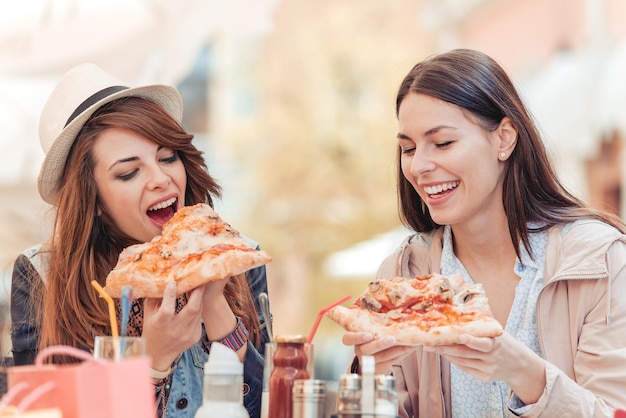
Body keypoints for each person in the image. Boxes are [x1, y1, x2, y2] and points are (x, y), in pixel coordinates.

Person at [342, 49, 626, 417]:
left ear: (504, 139)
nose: (420, 166)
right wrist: (368, 378)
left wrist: (525, 373)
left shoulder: (599, 262)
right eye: (408, 148)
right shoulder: (404, 275)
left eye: (442, 143)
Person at [10, 63, 271, 418]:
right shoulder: (42, 273)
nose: (161, 178)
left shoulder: (237, 256)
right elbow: (43, 409)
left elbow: (272, 406)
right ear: (95, 201)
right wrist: (152, 359)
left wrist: (217, 310)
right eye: (129, 172)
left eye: (167, 157)